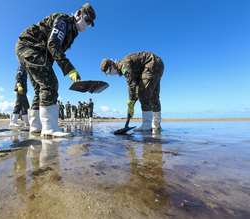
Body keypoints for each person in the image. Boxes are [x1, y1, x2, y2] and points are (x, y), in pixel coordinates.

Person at [15, 3, 96, 137]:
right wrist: (69, 69)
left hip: (36, 51)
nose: (87, 25)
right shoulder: (63, 21)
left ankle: (35, 126)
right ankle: (50, 128)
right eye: (86, 20)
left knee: (40, 88)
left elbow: (52, 50)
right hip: (30, 46)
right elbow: (53, 44)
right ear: (78, 14)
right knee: (50, 84)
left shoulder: (72, 32)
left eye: (90, 24)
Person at [101, 51, 164, 134]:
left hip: (151, 63)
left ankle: (147, 125)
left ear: (112, 65)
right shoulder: (126, 65)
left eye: (109, 72)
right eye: (108, 74)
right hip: (158, 64)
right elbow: (136, 84)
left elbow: (132, 84)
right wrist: (132, 102)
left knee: (143, 94)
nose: (111, 74)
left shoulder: (124, 65)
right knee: (153, 96)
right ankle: (156, 125)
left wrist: (131, 101)